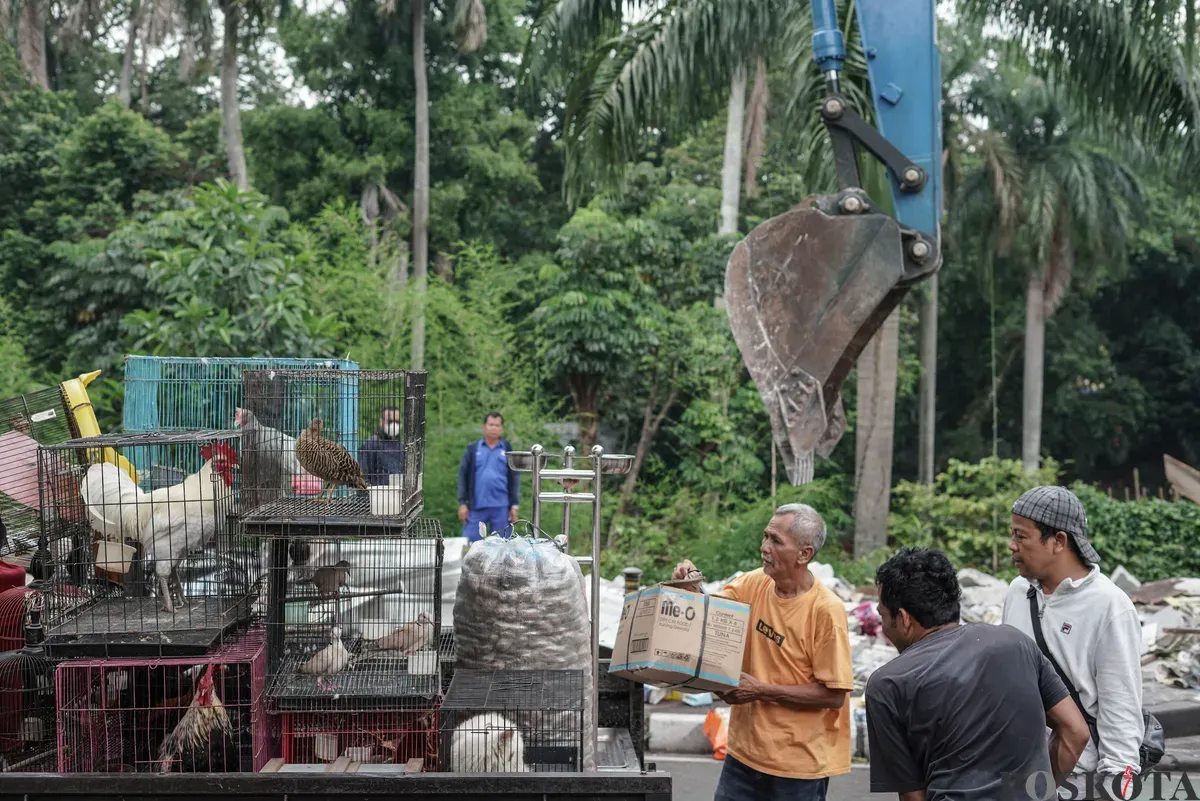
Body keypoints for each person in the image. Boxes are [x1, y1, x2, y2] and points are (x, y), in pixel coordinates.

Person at [865, 546, 1091, 801]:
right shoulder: (1015, 642)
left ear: (904, 619)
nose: (883, 626)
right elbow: (1076, 732)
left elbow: (912, 796)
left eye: (883, 615)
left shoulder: (888, 684)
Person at [671, 503, 854, 801]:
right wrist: (690, 586)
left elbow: (834, 695)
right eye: (765, 536)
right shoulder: (754, 583)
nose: (764, 547)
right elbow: (712, 614)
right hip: (743, 757)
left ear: (804, 554)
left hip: (798, 769)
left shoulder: (826, 610)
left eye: (776, 541)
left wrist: (762, 690)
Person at [1001, 485, 1145, 797]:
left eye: (1021, 536)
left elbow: (1121, 711)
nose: (1012, 546)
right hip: (1016, 775)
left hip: (1076, 783)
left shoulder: (1109, 606)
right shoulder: (1017, 591)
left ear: (1059, 541)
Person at [456, 412, 519, 542]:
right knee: (470, 545)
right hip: (477, 506)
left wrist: (514, 505)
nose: (494, 428)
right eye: (491, 425)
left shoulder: (507, 449)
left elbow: (514, 478)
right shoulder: (473, 449)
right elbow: (463, 476)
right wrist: (462, 503)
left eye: (497, 425)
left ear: (501, 429)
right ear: (484, 427)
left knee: (504, 547)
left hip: (501, 507)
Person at [359, 407, 405, 485]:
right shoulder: (371, 444)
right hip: (377, 495)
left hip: (400, 493)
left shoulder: (402, 446)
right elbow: (363, 476)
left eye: (397, 421)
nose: (394, 425)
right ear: (381, 421)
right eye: (390, 421)